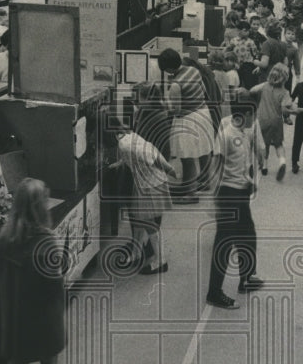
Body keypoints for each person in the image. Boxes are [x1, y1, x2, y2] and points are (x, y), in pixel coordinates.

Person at [0, 178, 66, 364]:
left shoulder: (4, 238)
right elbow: (55, 286)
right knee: (50, 362)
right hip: (44, 319)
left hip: (17, 317)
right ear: (40, 208)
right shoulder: (46, 242)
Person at [205, 89, 265, 310]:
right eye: (254, 115)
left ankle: (246, 278)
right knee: (224, 243)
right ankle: (214, 293)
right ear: (246, 115)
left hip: (240, 191)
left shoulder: (245, 130)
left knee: (248, 235)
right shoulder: (227, 133)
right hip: (228, 195)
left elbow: (247, 158)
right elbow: (215, 167)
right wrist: (214, 200)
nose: (256, 120)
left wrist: (249, 180)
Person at [111, 117, 177, 275]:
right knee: (140, 218)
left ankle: (161, 261)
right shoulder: (129, 135)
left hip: (150, 184)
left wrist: (170, 170)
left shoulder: (123, 143)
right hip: (149, 181)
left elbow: (150, 155)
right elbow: (143, 153)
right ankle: (137, 252)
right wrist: (119, 163)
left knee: (148, 223)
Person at [158, 48, 214, 203]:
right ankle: (205, 181)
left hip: (188, 120)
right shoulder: (193, 70)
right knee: (203, 151)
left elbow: (175, 109)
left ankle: (190, 193)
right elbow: (203, 90)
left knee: (187, 157)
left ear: (169, 69)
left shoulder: (176, 85)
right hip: (203, 113)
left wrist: (164, 102)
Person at [250, 63, 293, 181]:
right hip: (276, 120)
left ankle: (265, 166)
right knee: (278, 143)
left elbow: (252, 90)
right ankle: (282, 161)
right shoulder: (285, 92)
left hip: (262, 118)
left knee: (265, 144)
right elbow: (286, 108)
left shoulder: (265, 86)